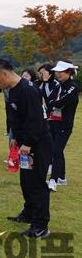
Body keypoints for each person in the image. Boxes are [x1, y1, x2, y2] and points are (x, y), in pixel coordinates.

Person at [0, 59, 52, 239]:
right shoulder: (12, 91)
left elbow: (36, 120)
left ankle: (41, 225)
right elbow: (16, 119)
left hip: (38, 144)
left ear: (4, 73)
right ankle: (29, 213)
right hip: (24, 143)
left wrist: (28, 143)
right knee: (26, 181)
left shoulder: (28, 90)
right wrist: (16, 139)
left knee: (37, 184)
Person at [46, 61, 79, 192]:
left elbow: (59, 103)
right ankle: (61, 177)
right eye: (57, 71)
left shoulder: (72, 87)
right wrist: (54, 103)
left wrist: (54, 103)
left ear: (69, 72)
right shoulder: (58, 86)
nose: (58, 74)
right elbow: (49, 102)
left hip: (64, 125)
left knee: (56, 151)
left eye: (61, 71)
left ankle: (53, 180)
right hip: (53, 122)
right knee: (57, 150)